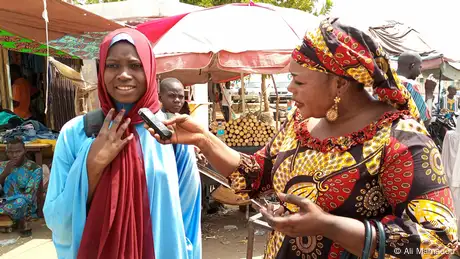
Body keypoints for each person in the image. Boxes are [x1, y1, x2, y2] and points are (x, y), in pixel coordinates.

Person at [148, 17, 458, 259]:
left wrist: (328, 225)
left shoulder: (400, 140)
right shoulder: (301, 122)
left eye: (298, 80)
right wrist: (204, 139)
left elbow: (438, 242)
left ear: (338, 83)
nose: (289, 89)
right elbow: (256, 174)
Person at [43, 28, 201, 259]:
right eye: (113, 65)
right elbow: (56, 219)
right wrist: (93, 165)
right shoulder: (75, 133)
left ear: (149, 70)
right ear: (101, 71)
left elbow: (188, 218)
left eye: (135, 66)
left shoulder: (172, 135)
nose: (124, 74)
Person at [0, 138, 42, 236]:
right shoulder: (2, 166)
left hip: (21, 205)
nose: (14, 155)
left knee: (21, 201)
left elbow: (29, 196)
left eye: (18, 152)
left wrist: (5, 201)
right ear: (6, 152)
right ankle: (8, 219)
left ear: (24, 151)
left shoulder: (34, 169)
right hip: (3, 202)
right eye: (10, 152)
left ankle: (7, 218)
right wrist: (5, 173)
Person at [396, 51, 436, 127]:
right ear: (412, 66)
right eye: (420, 67)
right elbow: (425, 122)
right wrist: (429, 92)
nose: (420, 72)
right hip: (403, 136)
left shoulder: (385, 81)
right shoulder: (410, 85)